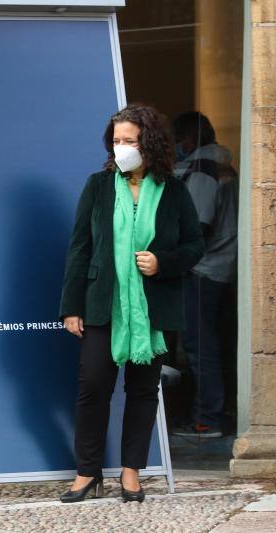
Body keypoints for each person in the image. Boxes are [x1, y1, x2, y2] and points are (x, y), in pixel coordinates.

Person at [58, 104, 204, 504]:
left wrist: (162, 262)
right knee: (93, 387)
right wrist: (72, 307)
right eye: (116, 141)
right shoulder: (98, 186)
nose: (121, 148)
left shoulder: (173, 190)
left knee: (142, 392)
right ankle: (87, 473)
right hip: (102, 304)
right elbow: (79, 249)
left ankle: (131, 473)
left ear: (149, 143)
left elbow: (195, 244)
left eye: (130, 141)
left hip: (153, 310)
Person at [171, 112, 239, 439]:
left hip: (202, 269)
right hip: (221, 266)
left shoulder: (202, 171)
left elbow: (199, 225)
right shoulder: (223, 167)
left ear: (186, 139)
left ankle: (207, 419)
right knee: (214, 343)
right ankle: (217, 412)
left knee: (200, 346)